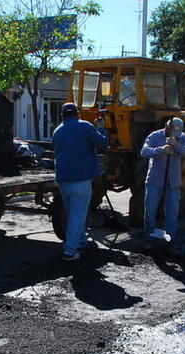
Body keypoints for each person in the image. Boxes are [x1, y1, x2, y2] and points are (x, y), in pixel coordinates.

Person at [51, 102, 108, 261]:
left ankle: (81, 242)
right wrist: (101, 128)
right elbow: (102, 143)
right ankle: (70, 250)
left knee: (72, 214)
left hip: (63, 179)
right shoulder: (85, 126)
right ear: (77, 113)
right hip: (81, 179)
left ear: (62, 115)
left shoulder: (57, 131)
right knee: (78, 215)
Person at [140, 117, 185, 243]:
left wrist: (177, 145)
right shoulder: (155, 136)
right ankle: (149, 237)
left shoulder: (183, 137)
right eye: (173, 130)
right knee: (150, 211)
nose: (176, 134)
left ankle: (170, 239)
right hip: (155, 179)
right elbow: (144, 151)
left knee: (172, 212)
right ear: (166, 127)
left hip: (173, 181)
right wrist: (160, 150)